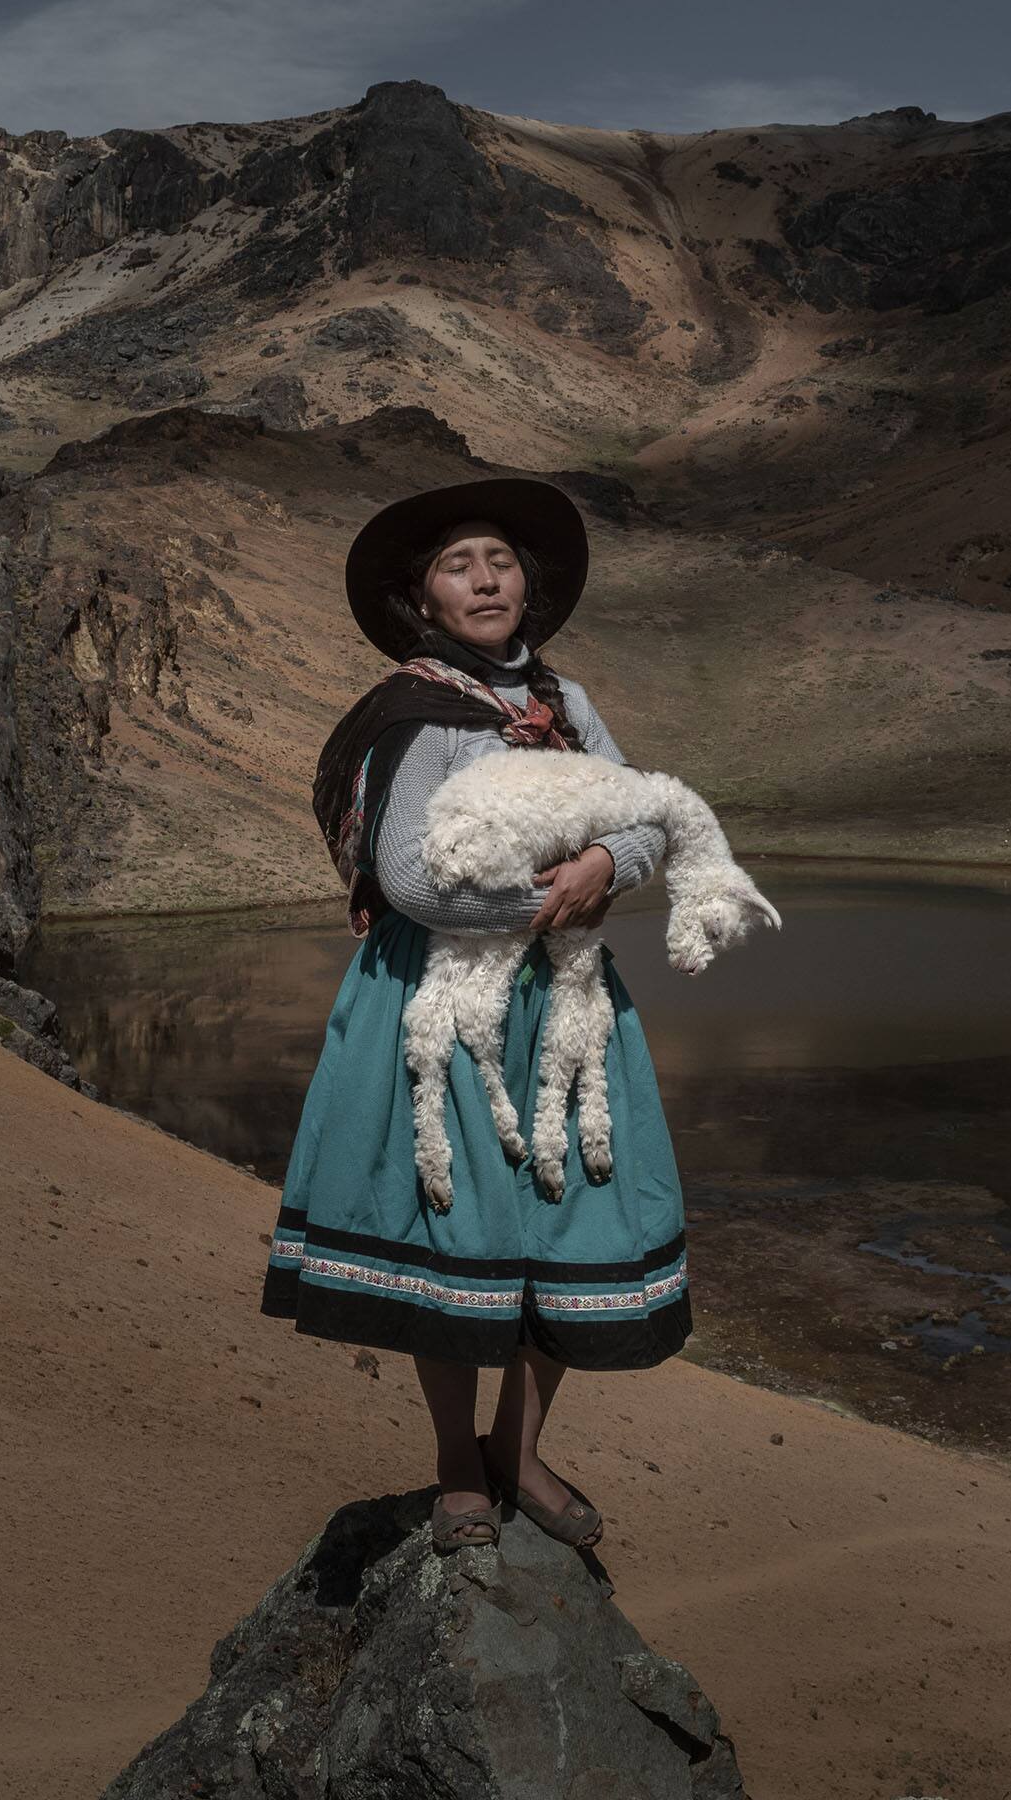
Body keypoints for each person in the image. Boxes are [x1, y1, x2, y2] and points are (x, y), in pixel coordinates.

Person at [263, 475, 692, 1553]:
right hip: (443, 1005)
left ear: (527, 582)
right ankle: (459, 1462)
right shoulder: (419, 717)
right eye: (459, 564)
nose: (486, 577)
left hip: (560, 999)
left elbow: (645, 816)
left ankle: (518, 1444)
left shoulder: (569, 705)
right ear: (423, 598)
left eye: (498, 558)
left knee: (566, 1210)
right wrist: (543, 901)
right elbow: (407, 874)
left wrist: (603, 856)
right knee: (454, 1229)